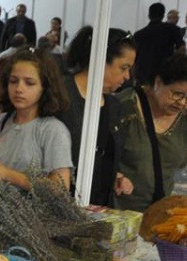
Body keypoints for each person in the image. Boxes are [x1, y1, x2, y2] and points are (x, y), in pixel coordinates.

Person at [112, 53, 187, 212]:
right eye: (177, 94)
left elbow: (179, 162)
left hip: (159, 212)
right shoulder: (124, 107)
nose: (182, 103)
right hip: (117, 212)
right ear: (158, 82)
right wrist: (115, 176)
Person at [58, 26, 138, 206]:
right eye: (123, 68)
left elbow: (104, 153)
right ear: (100, 59)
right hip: (61, 205)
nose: (127, 76)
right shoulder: (61, 96)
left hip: (99, 204)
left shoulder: (113, 104)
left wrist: (115, 175)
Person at [0, 49, 73, 192]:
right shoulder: (2, 121)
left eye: (29, 83)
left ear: (44, 88)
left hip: (33, 207)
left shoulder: (53, 130)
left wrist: (6, 174)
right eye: (13, 81)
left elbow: (60, 188)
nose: (19, 89)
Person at [132, 2, 186, 87]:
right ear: (163, 15)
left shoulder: (138, 34)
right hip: (164, 72)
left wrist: (134, 74)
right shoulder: (172, 29)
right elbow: (182, 49)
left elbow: (134, 56)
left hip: (143, 73)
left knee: (142, 94)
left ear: (149, 15)